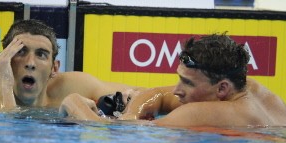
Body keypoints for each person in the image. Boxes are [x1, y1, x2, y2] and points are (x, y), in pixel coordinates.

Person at [60, 32, 286, 126]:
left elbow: (120, 136)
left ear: (222, 88)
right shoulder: (251, 89)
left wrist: (73, 102)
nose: (177, 90)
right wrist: (132, 114)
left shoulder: (202, 113)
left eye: (188, 83)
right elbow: (158, 93)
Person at [0, 19, 143, 111]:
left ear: (54, 68)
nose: (30, 63)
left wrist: (132, 98)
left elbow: (150, 96)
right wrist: (3, 89)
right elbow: (7, 135)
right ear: (4, 61)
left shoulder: (75, 87)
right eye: (20, 52)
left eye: (41, 54)